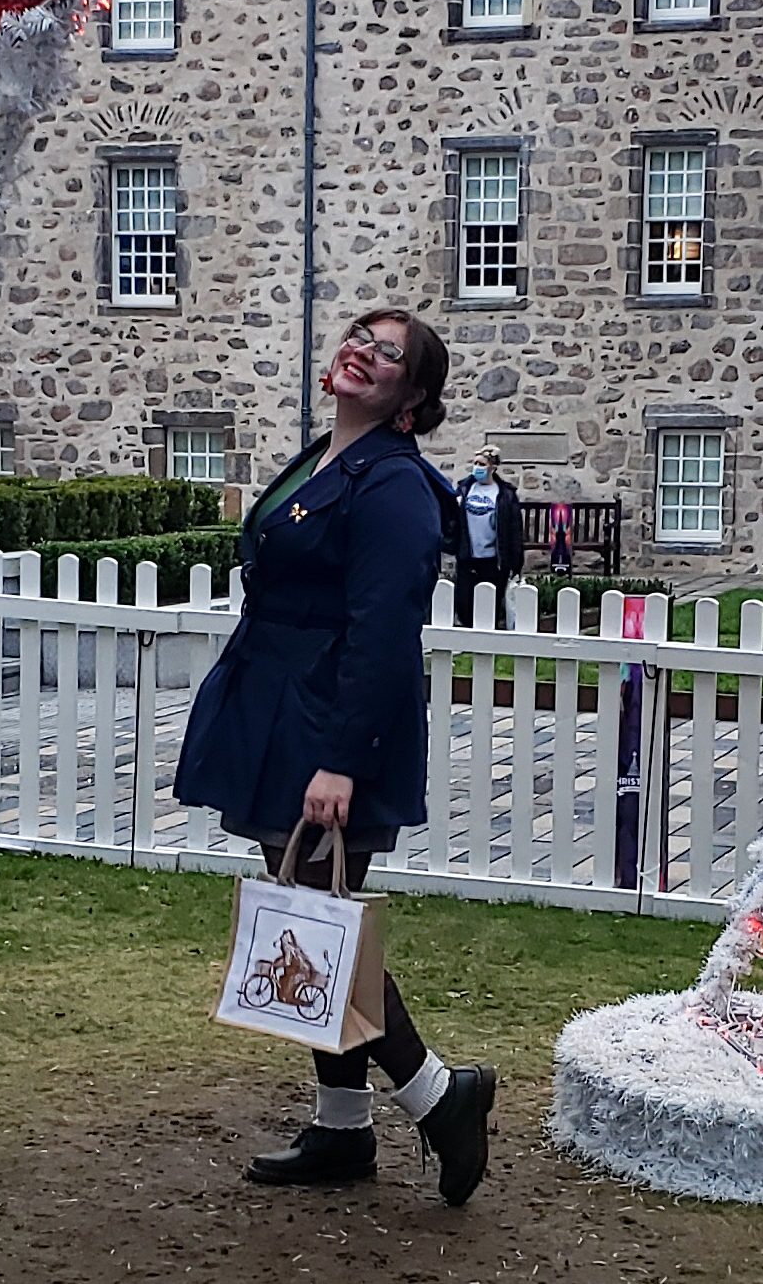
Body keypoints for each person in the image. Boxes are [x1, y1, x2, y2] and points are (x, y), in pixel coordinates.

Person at [173, 309, 497, 1206]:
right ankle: (343, 1129)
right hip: (277, 705)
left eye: (386, 351)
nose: (361, 349)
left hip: (330, 723)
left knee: (320, 928)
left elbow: (386, 634)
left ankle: (441, 1098)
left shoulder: (393, 485)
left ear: (412, 397)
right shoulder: (326, 456)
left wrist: (343, 760)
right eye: (359, 334)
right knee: (310, 913)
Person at [453, 445, 524, 628]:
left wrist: (515, 562)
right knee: (464, 602)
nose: (477, 467)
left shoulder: (505, 495)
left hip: (493, 559)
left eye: (481, 464)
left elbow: (514, 529)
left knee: (489, 603)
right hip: (468, 556)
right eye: (475, 463)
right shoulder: (465, 489)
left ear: (492, 467)